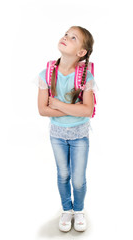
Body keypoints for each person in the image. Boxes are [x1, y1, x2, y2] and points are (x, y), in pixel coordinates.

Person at [34, 26, 98, 232]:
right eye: (66, 34)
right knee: (63, 174)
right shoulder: (46, 74)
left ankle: (78, 210)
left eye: (73, 37)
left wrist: (59, 105)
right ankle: (66, 209)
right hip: (57, 136)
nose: (65, 37)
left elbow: (88, 110)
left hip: (80, 136)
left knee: (78, 178)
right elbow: (43, 110)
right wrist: (74, 109)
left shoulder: (85, 78)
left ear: (81, 53)